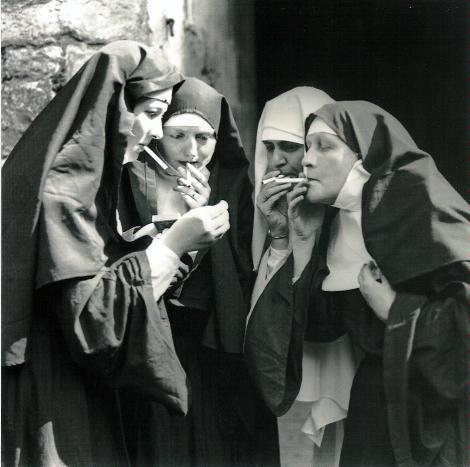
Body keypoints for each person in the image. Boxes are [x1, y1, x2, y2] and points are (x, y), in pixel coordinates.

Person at [2, 41, 231, 466]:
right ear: (112, 108)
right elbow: (94, 320)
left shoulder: (83, 184)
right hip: (50, 398)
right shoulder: (63, 192)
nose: (158, 133)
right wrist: (173, 244)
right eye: (152, 114)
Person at [258, 100, 469, 466]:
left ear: (365, 156)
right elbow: (322, 327)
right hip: (376, 395)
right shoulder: (336, 221)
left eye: (324, 146)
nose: (307, 160)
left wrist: (395, 310)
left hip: (436, 400)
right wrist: (302, 242)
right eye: (307, 147)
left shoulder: (419, 200)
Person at [118, 77, 279, 467]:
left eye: (203, 139)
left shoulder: (235, 184)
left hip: (217, 343)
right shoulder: (131, 180)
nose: (191, 152)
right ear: (159, 136)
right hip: (154, 342)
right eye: (177, 136)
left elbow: (249, 268)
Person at [245, 87, 356, 467]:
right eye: (269, 148)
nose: (276, 161)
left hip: (346, 359)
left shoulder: (353, 208)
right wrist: (279, 232)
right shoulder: (264, 206)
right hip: (292, 361)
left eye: (289, 147)